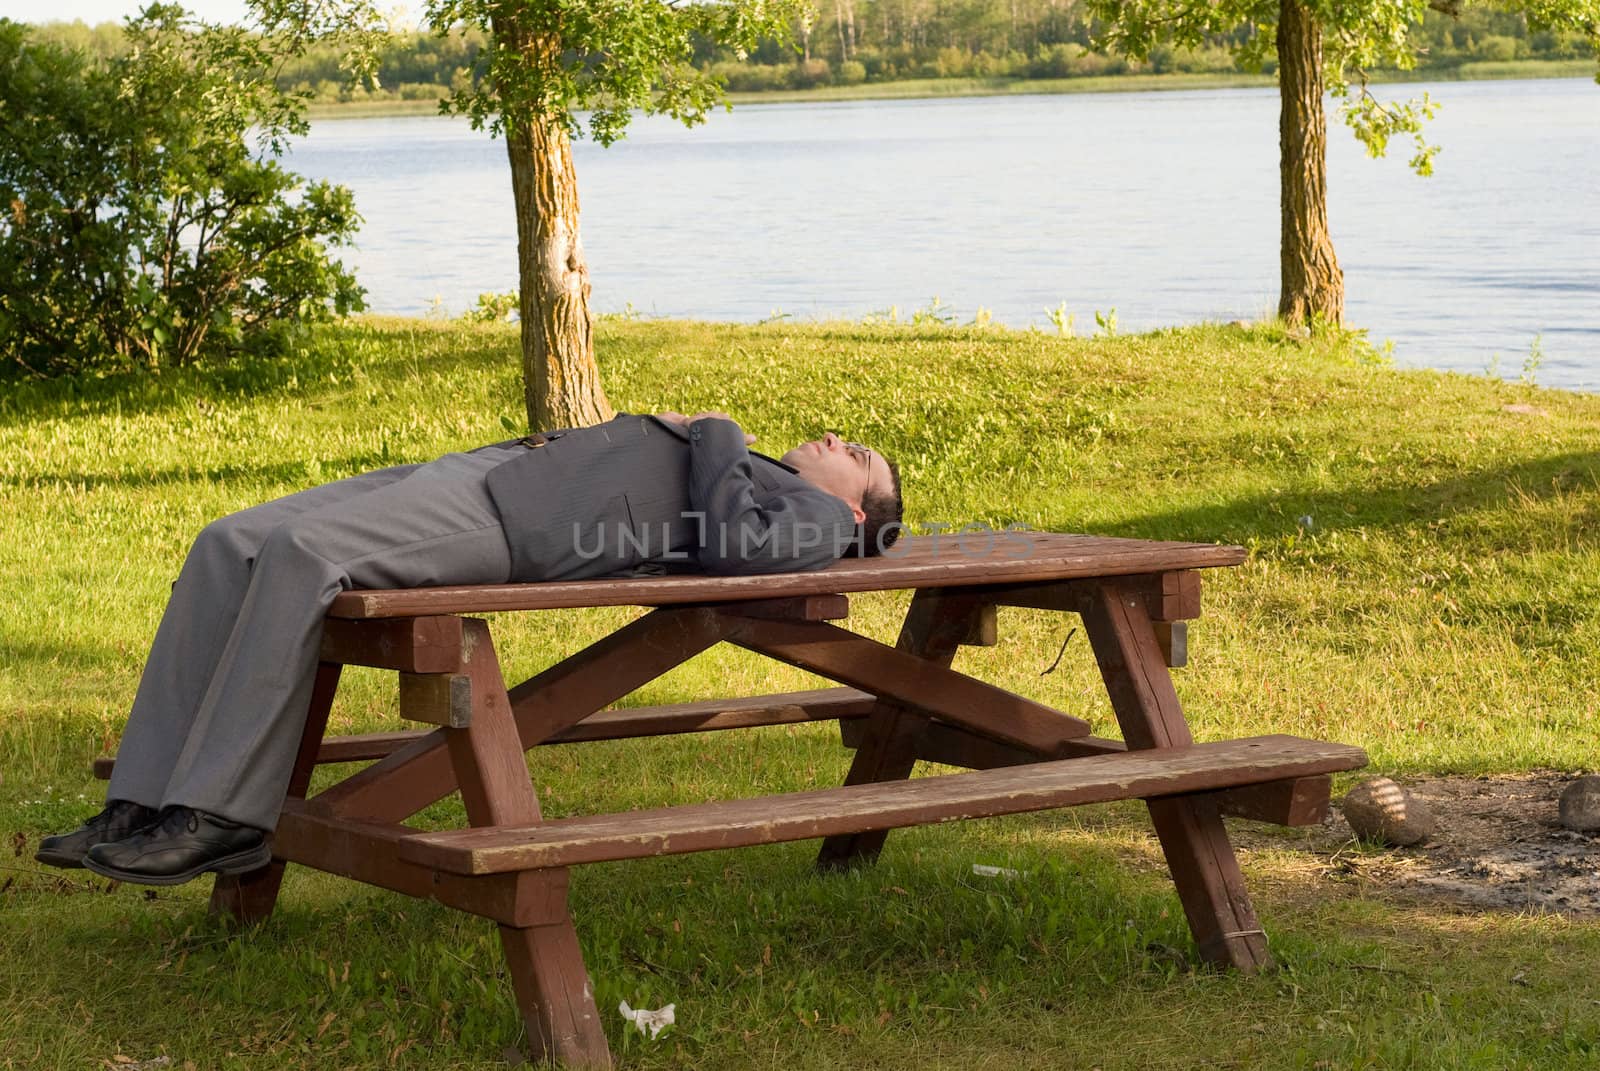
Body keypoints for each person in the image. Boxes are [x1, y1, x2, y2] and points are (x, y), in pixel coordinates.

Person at [36, 410, 902, 886]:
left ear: (858, 511)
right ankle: (141, 799)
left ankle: (222, 817)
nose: (834, 438)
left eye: (854, 454)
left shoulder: (818, 519)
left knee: (305, 557)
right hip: (490, 472)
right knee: (229, 540)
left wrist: (712, 428)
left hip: (516, 517)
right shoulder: (770, 478)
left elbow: (734, 549)